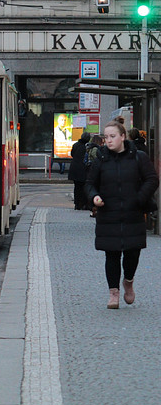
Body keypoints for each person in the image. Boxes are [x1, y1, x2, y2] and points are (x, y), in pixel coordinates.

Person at [86, 122, 159, 309]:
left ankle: (128, 281)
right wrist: (94, 197)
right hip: (108, 214)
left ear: (123, 137)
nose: (108, 140)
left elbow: (152, 179)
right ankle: (113, 293)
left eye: (112, 136)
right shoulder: (101, 159)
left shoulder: (138, 157)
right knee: (111, 255)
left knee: (132, 254)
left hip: (132, 213)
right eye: (106, 137)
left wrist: (139, 198)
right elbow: (89, 183)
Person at [68, 131, 90, 210]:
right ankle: (82, 203)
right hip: (83, 169)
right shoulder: (87, 147)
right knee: (83, 187)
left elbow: (72, 154)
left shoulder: (76, 145)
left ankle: (77, 204)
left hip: (74, 168)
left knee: (77, 187)